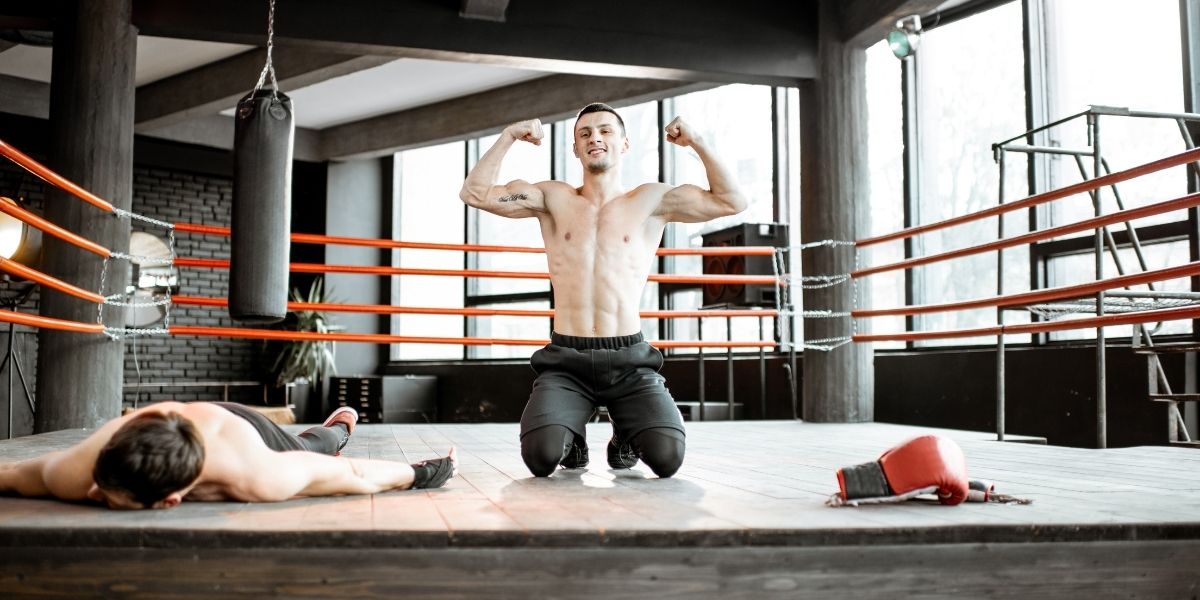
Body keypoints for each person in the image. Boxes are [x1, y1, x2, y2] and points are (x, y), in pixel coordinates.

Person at [459, 103, 747, 478]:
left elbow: (731, 201)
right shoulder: (552, 198)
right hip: (567, 361)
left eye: (605, 130)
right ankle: (572, 436)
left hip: (630, 360)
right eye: (585, 133)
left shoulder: (651, 200)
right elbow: (475, 193)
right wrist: (509, 135)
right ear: (575, 150)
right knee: (541, 457)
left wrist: (698, 142)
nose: (595, 137)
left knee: (667, 458)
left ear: (624, 144)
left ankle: (624, 433)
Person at [0, 402, 457, 509]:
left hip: (241, 429)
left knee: (317, 449)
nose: (93, 492)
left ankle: (339, 425)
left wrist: (425, 473)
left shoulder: (257, 475)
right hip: (173, 424)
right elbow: (14, 473)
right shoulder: (80, 470)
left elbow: (356, 475)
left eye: (108, 498)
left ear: (171, 499)